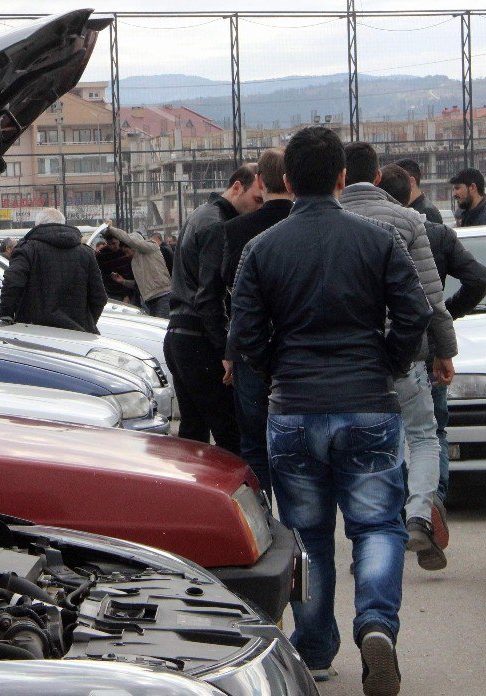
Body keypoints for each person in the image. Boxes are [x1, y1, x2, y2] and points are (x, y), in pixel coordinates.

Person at [230, 126, 432, 696]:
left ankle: (315, 647)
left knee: (307, 535)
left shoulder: (261, 249)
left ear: (286, 182)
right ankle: (376, 625)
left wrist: (277, 372)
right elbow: (413, 314)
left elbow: (244, 332)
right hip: (367, 401)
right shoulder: (376, 240)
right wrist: (386, 363)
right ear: (343, 178)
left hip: (293, 406)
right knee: (376, 525)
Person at [341, 151, 457, 572]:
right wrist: (444, 350)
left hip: (352, 358)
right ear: (377, 175)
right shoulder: (408, 221)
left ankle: (374, 534)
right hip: (404, 353)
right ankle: (420, 515)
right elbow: (430, 296)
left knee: (366, 447)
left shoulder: (330, 221)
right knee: (423, 435)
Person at [164, 163, 262, 453]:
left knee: (193, 432)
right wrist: (224, 349)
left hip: (180, 334)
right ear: (236, 187)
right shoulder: (218, 225)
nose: (258, 208)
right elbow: (209, 296)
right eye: (257, 199)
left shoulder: (201, 215)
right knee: (229, 431)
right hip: (199, 340)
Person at [218, 148, 294, 500]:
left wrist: (232, 349)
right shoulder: (302, 223)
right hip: (296, 347)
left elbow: (232, 294)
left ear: (260, 181)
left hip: (251, 347)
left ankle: (264, 519)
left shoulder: (236, 230)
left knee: (253, 442)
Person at [418, 196, 486, 537]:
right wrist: (451, 311)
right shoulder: (439, 236)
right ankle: (433, 504)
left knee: (390, 438)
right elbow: (477, 278)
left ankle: (394, 518)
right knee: (432, 432)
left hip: (380, 357)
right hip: (429, 353)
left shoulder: (370, 230)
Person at [0, 207, 106, 333]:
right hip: (77, 334)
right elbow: (99, 297)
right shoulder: (86, 253)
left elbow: (12, 283)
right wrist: (86, 322)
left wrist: (6, 316)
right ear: (63, 224)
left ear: (37, 226)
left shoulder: (27, 250)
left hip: (34, 332)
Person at [104, 224, 171, 317]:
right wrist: (123, 281)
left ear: (133, 246)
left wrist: (111, 229)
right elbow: (138, 285)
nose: (127, 255)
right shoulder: (135, 262)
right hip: (149, 300)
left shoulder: (150, 247)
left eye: (127, 252)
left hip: (162, 295)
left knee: (161, 326)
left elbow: (129, 240)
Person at [394, 158, 443, 223]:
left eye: (397, 181)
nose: (394, 186)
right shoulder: (416, 208)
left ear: (411, 182)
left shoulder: (427, 212)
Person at [95, 233, 134, 302]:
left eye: (114, 243)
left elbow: (130, 274)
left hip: (128, 290)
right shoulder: (102, 254)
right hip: (110, 292)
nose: (112, 246)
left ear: (119, 240)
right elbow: (101, 274)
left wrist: (128, 294)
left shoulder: (125, 251)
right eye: (109, 244)